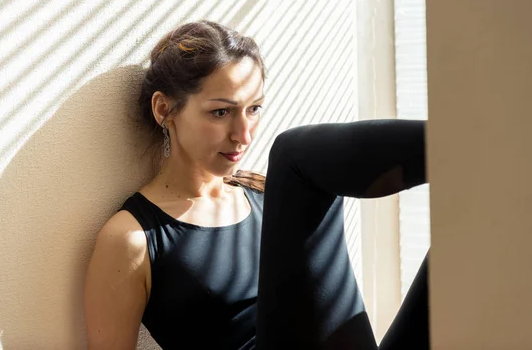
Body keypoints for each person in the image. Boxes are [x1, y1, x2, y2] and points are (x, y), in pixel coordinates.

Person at [83, 20, 429, 350]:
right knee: (294, 156)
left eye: (254, 109)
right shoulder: (131, 238)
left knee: (455, 249)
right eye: (221, 112)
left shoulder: (267, 196)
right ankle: (460, 146)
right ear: (164, 109)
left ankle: (469, 159)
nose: (243, 135)